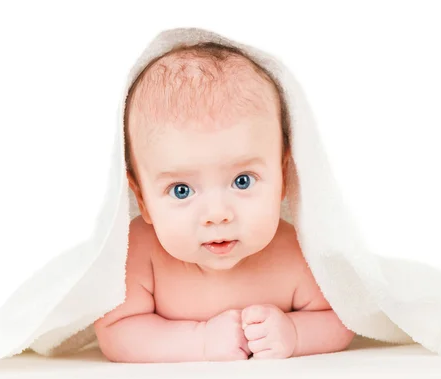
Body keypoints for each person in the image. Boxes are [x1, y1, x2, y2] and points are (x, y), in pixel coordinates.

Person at [94, 43, 355, 362]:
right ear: (143, 200)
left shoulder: (296, 253)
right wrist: (199, 341)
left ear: (284, 177)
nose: (217, 214)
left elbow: (343, 316)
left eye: (242, 180)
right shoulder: (140, 253)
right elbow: (116, 332)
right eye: (181, 190)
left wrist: (296, 333)